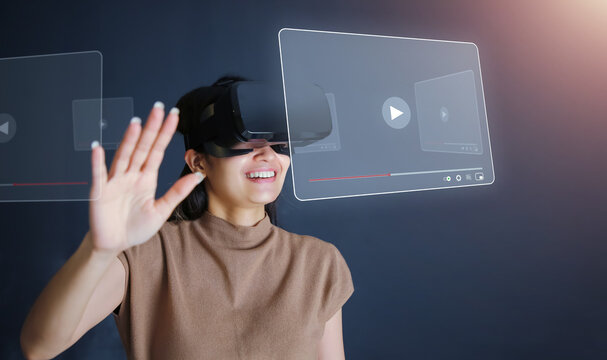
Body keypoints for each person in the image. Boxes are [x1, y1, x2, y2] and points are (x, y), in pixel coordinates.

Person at [20, 76, 355, 360]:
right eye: (245, 141)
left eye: (279, 142)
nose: (267, 154)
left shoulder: (320, 262)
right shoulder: (145, 255)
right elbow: (38, 347)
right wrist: (97, 250)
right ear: (199, 162)